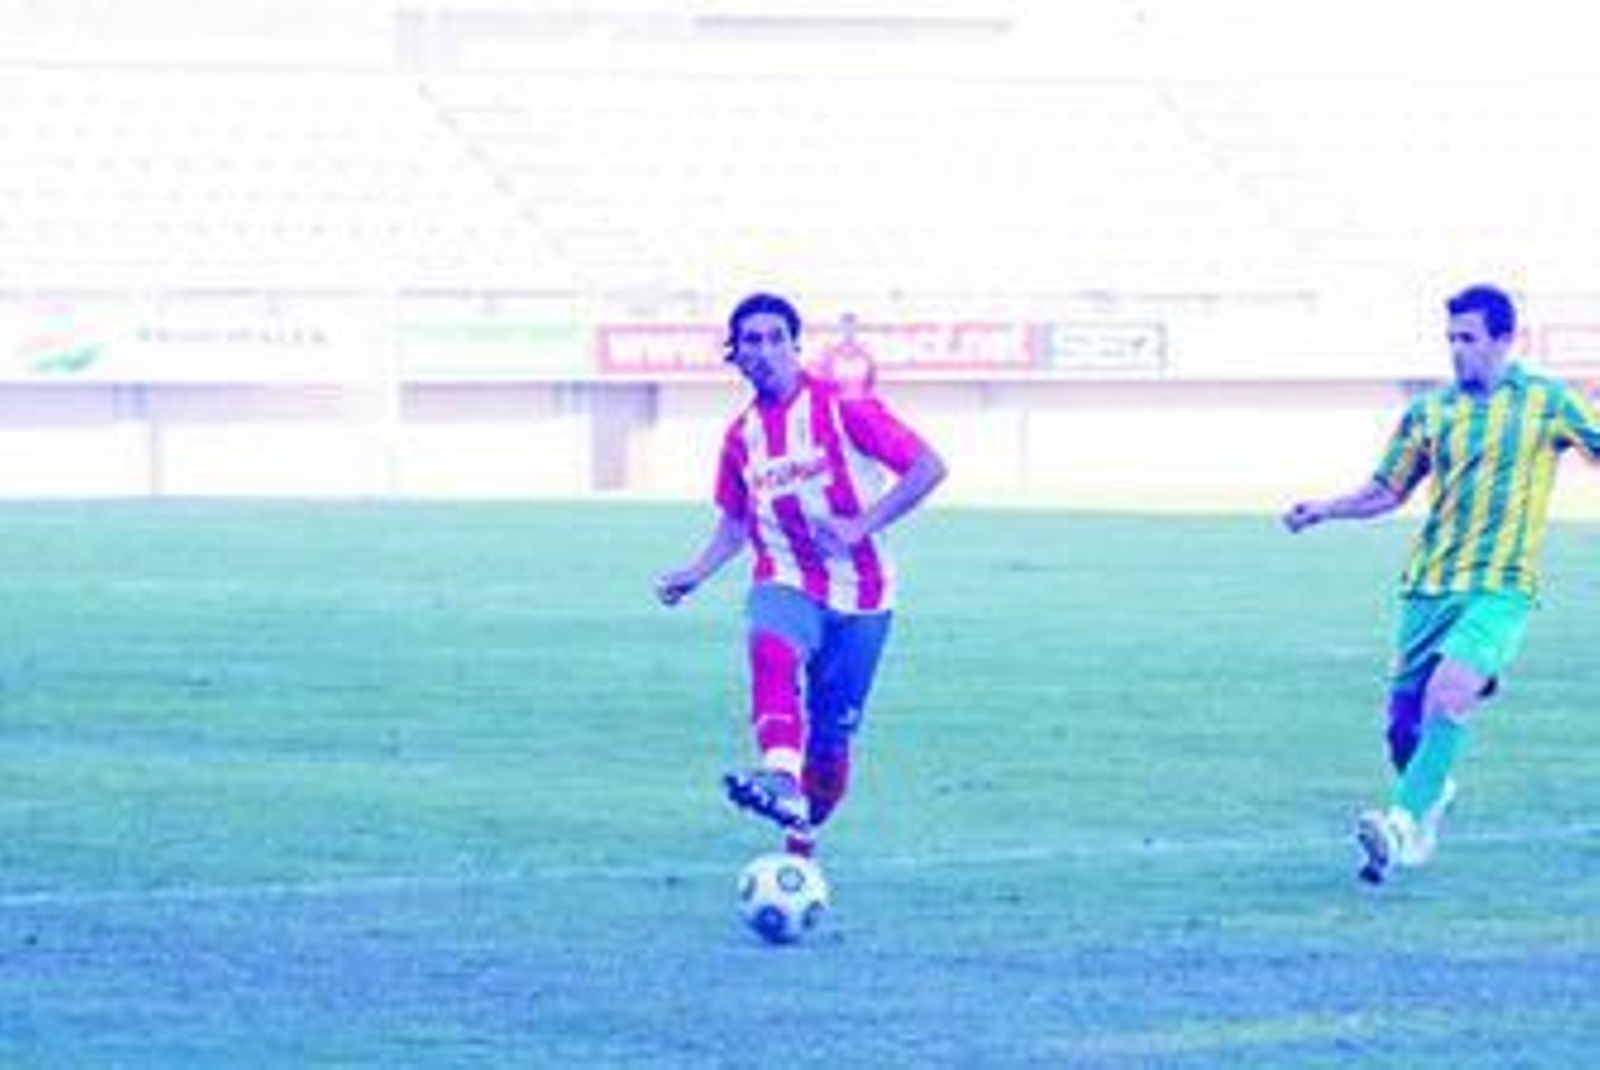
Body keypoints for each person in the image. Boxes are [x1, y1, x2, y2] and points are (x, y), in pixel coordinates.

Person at [1284, 283, 1599, 884]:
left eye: (1470, 339)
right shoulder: (1429, 412)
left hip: (1500, 588)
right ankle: (1432, 795)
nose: (1458, 350)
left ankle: (1400, 827)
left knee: (1448, 696)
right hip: (1428, 588)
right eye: (1451, 338)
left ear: (1506, 340)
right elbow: (1387, 490)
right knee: (1403, 730)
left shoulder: (1548, 402)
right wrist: (1324, 509)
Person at [656, 292, 947, 857]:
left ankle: (799, 834)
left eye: (774, 338)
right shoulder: (741, 438)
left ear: (794, 346)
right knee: (770, 645)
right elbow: (737, 522)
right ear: (735, 356)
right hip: (785, 577)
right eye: (750, 341)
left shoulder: (844, 409)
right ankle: (780, 777)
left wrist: (863, 524)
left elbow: (928, 467)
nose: (763, 350)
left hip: (864, 595)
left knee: (832, 747)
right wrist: (695, 572)